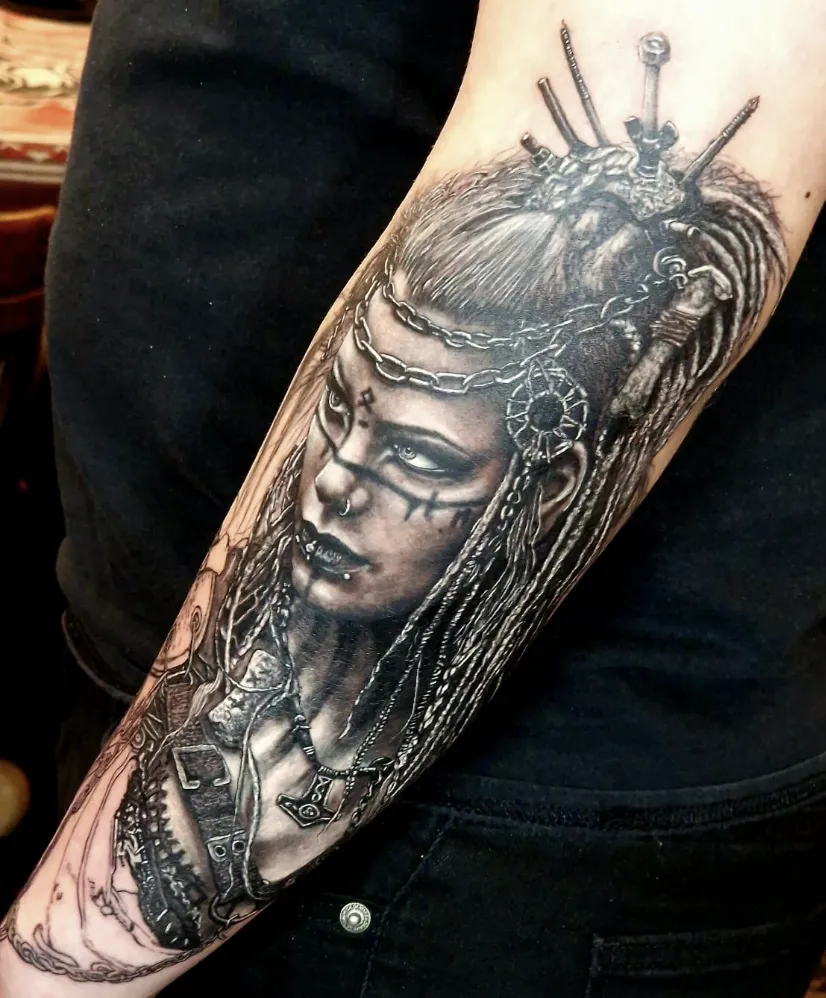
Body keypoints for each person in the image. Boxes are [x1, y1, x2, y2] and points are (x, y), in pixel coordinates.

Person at [2, 1, 826, 995]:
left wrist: (49, 977)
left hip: (455, 851)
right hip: (170, 692)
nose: (335, 484)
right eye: (341, 414)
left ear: (549, 484)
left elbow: (708, 58)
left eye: (419, 460)